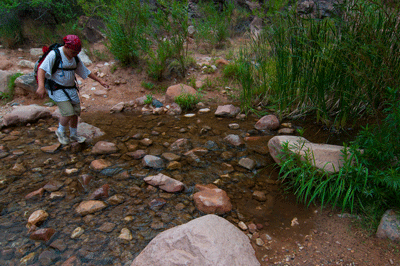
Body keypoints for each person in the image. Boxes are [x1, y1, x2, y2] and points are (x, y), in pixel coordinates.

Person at [36, 35, 108, 145]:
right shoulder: (54, 55)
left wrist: (100, 81)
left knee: (75, 112)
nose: (75, 55)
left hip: (71, 89)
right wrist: (41, 86)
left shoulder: (74, 57)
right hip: (57, 89)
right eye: (73, 52)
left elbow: (85, 71)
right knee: (68, 112)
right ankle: (60, 132)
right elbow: (41, 70)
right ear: (66, 47)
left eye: (77, 53)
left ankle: (73, 134)